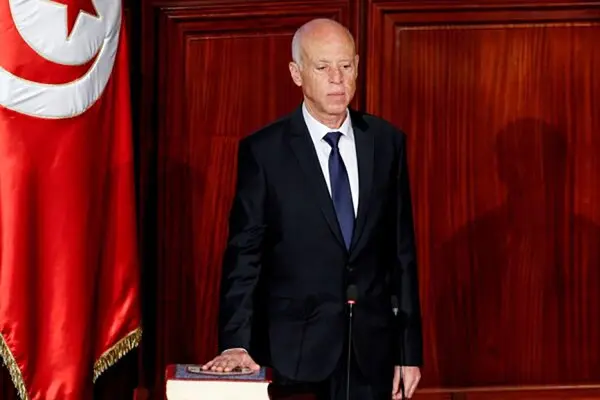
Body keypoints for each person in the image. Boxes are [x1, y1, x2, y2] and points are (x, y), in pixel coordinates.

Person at [202, 18, 423, 400]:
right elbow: (245, 255)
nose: (337, 79)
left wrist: (408, 351)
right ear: (297, 73)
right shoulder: (265, 152)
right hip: (293, 354)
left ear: (357, 66)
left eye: (346, 65)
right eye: (323, 67)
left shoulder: (386, 143)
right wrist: (235, 341)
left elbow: (401, 255)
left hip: (370, 356)